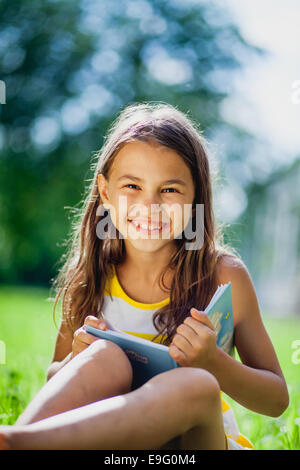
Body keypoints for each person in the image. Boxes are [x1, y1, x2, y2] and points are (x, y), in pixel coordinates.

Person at [0, 102, 289, 450]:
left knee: (196, 384)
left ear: (197, 195)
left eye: (169, 190)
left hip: (195, 444)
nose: (149, 206)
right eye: (132, 186)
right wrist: (77, 361)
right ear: (105, 193)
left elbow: (276, 400)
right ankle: (16, 442)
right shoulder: (90, 278)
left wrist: (214, 362)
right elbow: (54, 378)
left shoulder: (223, 276)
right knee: (105, 358)